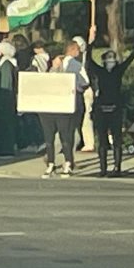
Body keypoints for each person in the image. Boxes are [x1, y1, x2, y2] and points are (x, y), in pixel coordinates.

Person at [86, 25, 134, 177]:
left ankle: (117, 168)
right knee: (102, 141)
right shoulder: (100, 72)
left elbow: (130, 58)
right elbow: (88, 60)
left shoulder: (118, 71)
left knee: (117, 139)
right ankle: (103, 168)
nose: (111, 61)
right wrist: (91, 41)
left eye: (112, 58)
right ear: (103, 61)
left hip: (115, 108)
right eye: (108, 58)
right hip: (102, 108)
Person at [40, 41, 89, 178]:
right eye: (77, 49)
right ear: (72, 50)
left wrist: (54, 69)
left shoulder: (54, 66)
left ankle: (52, 161)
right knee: (69, 133)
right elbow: (85, 82)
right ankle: (68, 161)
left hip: (54, 103)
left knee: (56, 135)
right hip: (70, 102)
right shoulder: (76, 65)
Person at [0, 41, 19, 157]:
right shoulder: (3, 63)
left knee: (6, 124)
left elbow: (6, 84)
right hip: (3, 97)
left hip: (5, 98)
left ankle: (6, 149)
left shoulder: (6, 64)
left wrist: (2, 99)